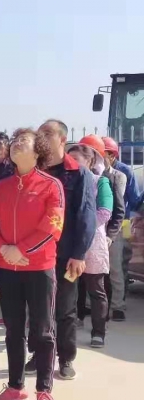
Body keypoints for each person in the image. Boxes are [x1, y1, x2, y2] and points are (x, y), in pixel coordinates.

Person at [0, 128, 63, 400]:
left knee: (42, 330)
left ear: (38, 150)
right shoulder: (2, 186)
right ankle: (16, 386)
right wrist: (3, 248)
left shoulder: (51, 185)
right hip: (7, 268)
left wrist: (22, 250)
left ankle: (44, 389)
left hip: (39, 267)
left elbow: (53, 225)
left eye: (24, 141)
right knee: (13, 330)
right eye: (15, 141)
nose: (16, 144)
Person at [26, 121, 96, 380]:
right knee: (37, 308)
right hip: (36, 254)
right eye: (40, 133)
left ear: (62, 139)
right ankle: (39, 354)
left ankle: (66, 358)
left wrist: (79, 254)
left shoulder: (79, 174)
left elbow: (86, 215)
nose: (41, 137)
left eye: (48, 133)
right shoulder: (34, 169)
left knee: (65, 309)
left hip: (66, 255)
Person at [68, 137, 113, 349]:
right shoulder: (66, 182)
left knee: (96, 289)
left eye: (76, 159)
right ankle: (71, 324)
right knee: (69, 287)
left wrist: (84, 227)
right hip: (70, 243)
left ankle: (98, 332)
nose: (72, 163)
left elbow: (105, 212)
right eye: (70, 159)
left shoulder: (100, 182)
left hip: (93, 243)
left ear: (89, 161)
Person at [103, 137, 139, 321]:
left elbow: (134, 199)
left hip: (123, 222)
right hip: (101, 223)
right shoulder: (94, 171)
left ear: (112, 155)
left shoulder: (125, 171)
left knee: (120, 262)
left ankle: (118, 304)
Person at [100, 137, 128, 323]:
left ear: (111, 156)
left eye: (103, 154)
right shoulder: (89, 175)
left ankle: (117, 306)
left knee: (115, 269)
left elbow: (118, 208)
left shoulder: (119, 176)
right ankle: (89, 304)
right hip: (96, 230)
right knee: (93, 271)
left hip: (113, 230)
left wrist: (110, 235)